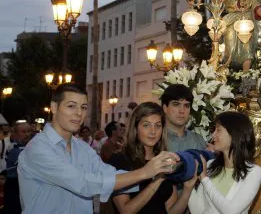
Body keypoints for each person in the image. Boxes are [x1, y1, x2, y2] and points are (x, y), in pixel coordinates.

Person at [17, 83, 180, 214]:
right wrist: (145, 172)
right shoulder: (38, 149)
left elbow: (109, 174)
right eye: (71, 106)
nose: (79, 114)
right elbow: (83, 183)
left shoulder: (82, 148)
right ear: (54, 107)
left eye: (84, 107)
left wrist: (158, 169)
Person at [109, 102, 195, 214]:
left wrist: (187, 189)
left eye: (158, 125)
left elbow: (171, 211)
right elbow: (125, 211)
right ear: (135, 128)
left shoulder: (165, 160)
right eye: (146, 125)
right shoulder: (119, 160)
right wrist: (158, 179)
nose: (153, 131)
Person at [188, 111, 261, 213]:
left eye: (218, 130)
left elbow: (231, 211)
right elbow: (198, 211)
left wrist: (204, 179)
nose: (213, 135)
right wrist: (188, 186)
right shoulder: (210, 165)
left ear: (235, 134)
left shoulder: (254, 172)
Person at [160, 84, 207, 152]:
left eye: (186, 105)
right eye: (176, 104)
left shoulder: (198, 140)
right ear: (165, 108)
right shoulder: (155, 138)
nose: (182, 111)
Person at [3, 120, 31, 213]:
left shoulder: (30, 147)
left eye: (28, 131)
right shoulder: (13, 150)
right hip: (14, 187)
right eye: (23, 132)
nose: (27, 134)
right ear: (14, 133)